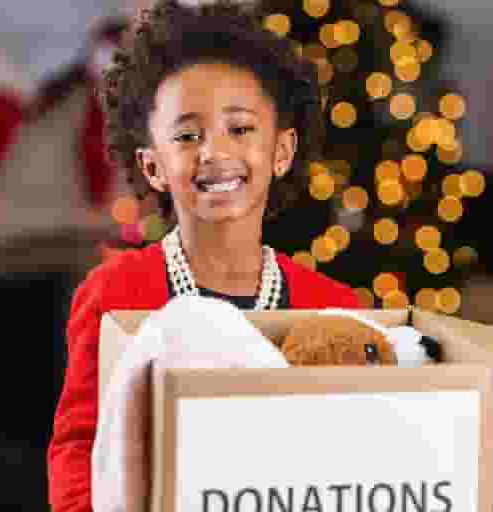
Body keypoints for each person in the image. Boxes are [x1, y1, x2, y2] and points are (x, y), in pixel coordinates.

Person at [46, 1, 362, 510]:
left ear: (282, 152)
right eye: (187, 135)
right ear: (152, 166)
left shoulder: (338, 308)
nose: (215, 152)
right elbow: (79, 447)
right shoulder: (112, 295)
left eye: (240, 129)